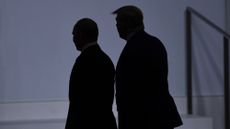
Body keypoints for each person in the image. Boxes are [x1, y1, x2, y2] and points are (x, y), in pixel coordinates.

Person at [112, 5, 183, 129]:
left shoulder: (134, 48)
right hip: (158, 117)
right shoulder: (154, 43)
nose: (116, 26)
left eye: (118, 22)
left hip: (142, 119)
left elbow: (134, 89)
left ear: (128, 23)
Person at [65, 18, 117, 129]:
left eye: (74, 34)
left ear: (82, 35)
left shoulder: (83, 62)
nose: (73, 39)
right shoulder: (106, 59)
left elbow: (77, 102)